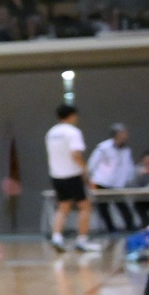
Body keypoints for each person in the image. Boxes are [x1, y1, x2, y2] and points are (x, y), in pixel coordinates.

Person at [46, 104, 99, 253]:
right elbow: (75, 154)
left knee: (63, 207)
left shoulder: (51, 133)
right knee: (85, 206)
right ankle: (82, 241)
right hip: (73, 175)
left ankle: (56, 237)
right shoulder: (73, 132)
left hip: (56, 175)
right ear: (72, 116)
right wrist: (85, 170)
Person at [88, 124, 136, 233]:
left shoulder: (126, 150)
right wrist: (91, 179)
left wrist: (129, 178)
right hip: (102, 181)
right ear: (116, 135)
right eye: (123, 133)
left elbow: (128, 166)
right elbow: (92, 163)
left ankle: (130, 226)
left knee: (121, 204)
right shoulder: (103, 148)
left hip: (117, 183)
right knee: (103, 207)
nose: (125, 136)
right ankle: (110, 228)